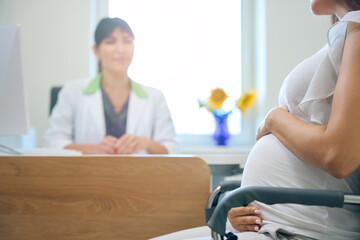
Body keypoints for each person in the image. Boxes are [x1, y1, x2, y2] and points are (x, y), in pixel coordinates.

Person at [152, 1, 360, 239]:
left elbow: (339, 155)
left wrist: (275, 119)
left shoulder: (358, 31)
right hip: (275, 223)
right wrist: (244, 205)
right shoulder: (347, 33)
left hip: (301, 229)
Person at [43, 18, 179, 155]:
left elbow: (172, 148)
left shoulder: (155, 97)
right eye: (110, 42)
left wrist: (147, 143)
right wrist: (93, 149)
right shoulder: (72, 92)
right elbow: (52, 143)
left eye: (127, 41)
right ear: (96, 50)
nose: (121, 49)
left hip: (139, 175)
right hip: (87, 174)